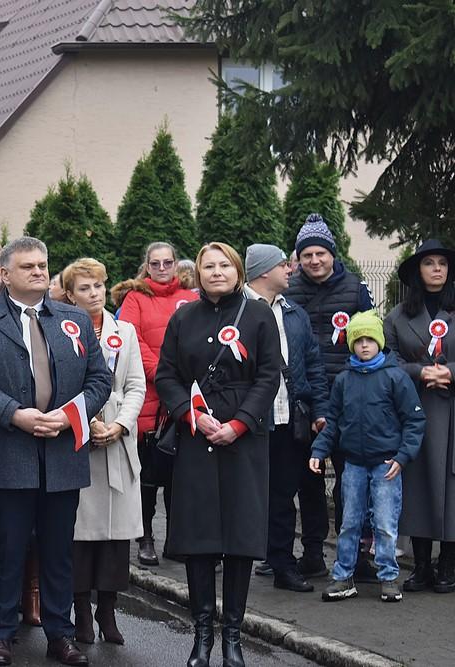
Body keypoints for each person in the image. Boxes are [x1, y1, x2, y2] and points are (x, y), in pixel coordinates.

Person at [0, 237, 112, 667]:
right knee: (7, 547)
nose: (40, 272)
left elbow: (99, 379)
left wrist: (70, 415)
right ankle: (0, 634)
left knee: (59, 550)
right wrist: (14, 414)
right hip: (6, 452)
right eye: (28, 266)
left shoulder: (74, 318)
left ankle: (60, 635)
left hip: (61, 454)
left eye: (43, 264)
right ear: (4, 274)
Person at [154, 242, 281, 667]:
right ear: (199, 273)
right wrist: (191, 416)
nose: (216, 272)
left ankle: (233, 637)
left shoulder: (259, 315)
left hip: (245, 441)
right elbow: (168, 374)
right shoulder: (183, 317)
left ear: (238, 270)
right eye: (208, 265)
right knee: (201, 538)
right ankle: (202, 636)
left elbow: (268, 376)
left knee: (240, 540)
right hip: (196, 438)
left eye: (224, 264)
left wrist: (240, 423)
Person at [283, 214, 376, 581]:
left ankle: (358, 556)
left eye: (320, 253)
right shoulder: (290, 292)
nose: (314, 261)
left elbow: (372, 335)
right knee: (308, 480)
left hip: (350, 398)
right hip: (305, 401)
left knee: (352, 481)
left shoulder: (355, 289)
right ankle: (311, 553)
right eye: (307, 255)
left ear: (332, 255)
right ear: (299, 258)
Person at [311, 310, 425, 603]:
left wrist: (402, 456)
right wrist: (319, 450)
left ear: (379, 341)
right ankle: (344, 575)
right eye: (358, 340)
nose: (364, 345)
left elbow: (414, 420)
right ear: (351, 344)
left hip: (387, 464)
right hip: (353, 464)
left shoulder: (396, 378)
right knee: (349, 522)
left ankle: (388, 577)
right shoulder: (344, 381)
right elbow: (333, 421)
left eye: (369, 339)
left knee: (385, 524)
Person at [61, 258, 146, 646]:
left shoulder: (124, 331)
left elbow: (135, 386)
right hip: (77, 436)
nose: (93, 294)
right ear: (70, 294)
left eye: (97, 286)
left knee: (115, 536)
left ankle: (107, 611)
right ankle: (80, 610)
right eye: (84, 288)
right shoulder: (63, 329)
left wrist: (119, 425)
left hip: (117, 440)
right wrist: (88, 420)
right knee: (81, 533)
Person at [242, 245, 330, 594]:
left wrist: (320, 410)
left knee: (282, 495)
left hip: (289, 417)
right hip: (249, 421)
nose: (291, 269)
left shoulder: (295, 313)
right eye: (284, 264)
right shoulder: (238, 310)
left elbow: (314, 364)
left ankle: (281, 563)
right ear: (264, 271)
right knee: (249, 496)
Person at [118, 241, 198, 566]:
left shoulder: (191, 298)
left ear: (176, 264)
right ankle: (146, 536)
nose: (162, 268)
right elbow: (132, 338)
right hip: (150, 394)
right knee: (149, 473)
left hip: (184, 394)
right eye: (156, 263)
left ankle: (177, 540)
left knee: (180, 474)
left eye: (168, 262)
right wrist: (162, 373)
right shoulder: (135, 298)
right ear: (146, 266)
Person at [384, 239, 455, 593]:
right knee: (419, 487)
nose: (437, 269)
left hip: (453, 410)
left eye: (442, 263)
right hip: (416, 411)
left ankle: (448, 564)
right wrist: (419, 372)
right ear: (417, 271)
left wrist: (450, 372)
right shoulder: (397, 316)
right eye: (430, 263)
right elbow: (388, 358)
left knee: (451, 487)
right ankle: (422, 564)